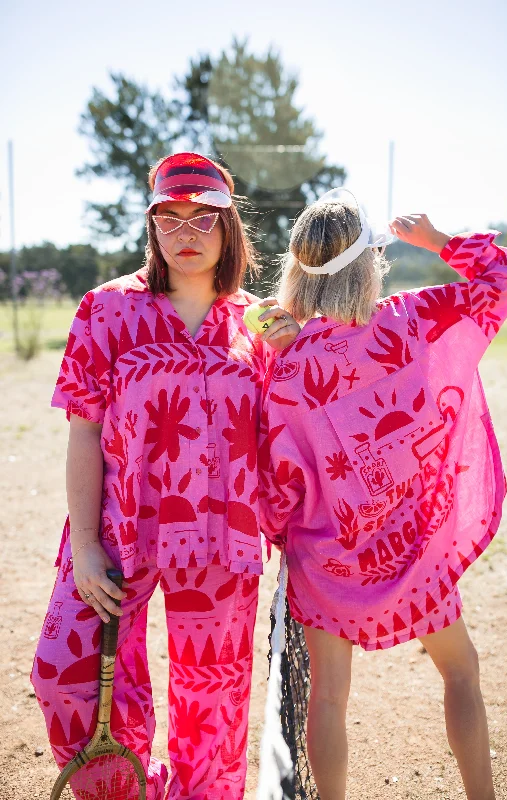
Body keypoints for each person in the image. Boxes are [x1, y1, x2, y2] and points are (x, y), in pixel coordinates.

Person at [31, 151, 298, 800]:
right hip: (119, 529)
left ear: (228, 227)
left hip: (221, 537)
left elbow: (316, 399)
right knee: (63, 673)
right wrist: (88, 545)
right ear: (151, 228)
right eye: (168, 218)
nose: (185, 233)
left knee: (212, 709)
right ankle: (128, 788)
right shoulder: (106, 308)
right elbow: (85, 430)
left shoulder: (259, 319)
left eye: (202, 218)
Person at [258, 192, 507, 800]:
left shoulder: (287, 365)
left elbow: (277, 485)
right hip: (416, 552)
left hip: (327, 562)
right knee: (461, 669)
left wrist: (287, 542)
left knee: (328, 695)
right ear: (369, 263)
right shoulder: (412, 319)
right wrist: (439, 241)